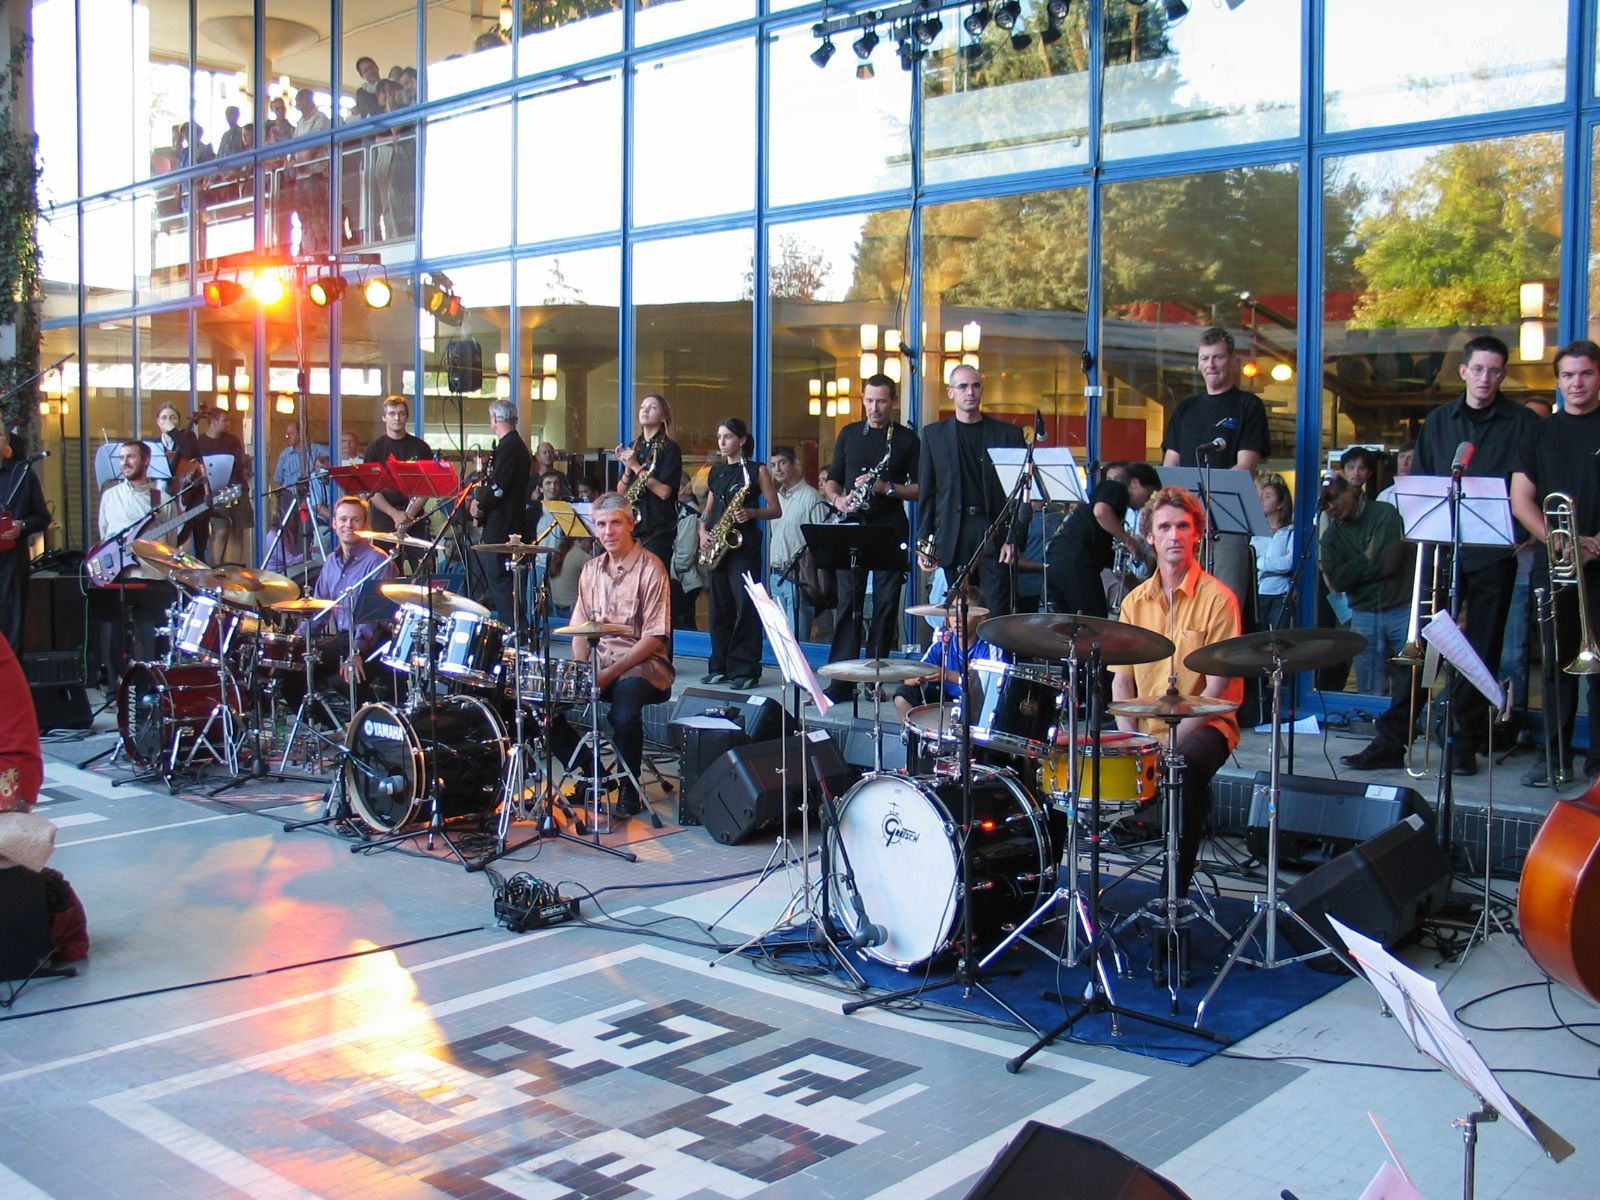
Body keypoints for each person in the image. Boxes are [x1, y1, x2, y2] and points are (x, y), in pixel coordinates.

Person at [1342, 334, 1539, 775]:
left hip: (1493, 553)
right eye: (1478, 369)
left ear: (1502, 375)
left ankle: (1462, 741)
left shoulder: (1522, 423)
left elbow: (1530, 484)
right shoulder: (1438, 423)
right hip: (1444, 554)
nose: (1485, 378)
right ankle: (1394, 738)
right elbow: (1424, 489)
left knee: (1480, 652)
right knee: (1427, 648)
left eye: (1494, 370)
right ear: (1463, 371)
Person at [1111, 487, 1243, 899]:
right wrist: (1132, 741)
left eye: (1183, 526)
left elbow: (1218, 690)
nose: (1174, 535)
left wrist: (1164, 746)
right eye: (1164, 526)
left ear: (1197, 534)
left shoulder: (1219, 600)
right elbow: (1122, 681)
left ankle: (1174, 898)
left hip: (1207, 724)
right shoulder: (1135, 601)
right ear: (1149, 535)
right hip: (1147, 730)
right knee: (1071, 755)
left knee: (1183, 768)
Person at [1510, 340, 1600, 785]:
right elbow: (1520, 497)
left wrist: (1596, 542)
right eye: (1568, 376)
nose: (1576, 383)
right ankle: (1555, 757)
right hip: (1559, 564)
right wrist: (1558, 540)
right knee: (1557, 666)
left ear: (1598, 376)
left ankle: (1598, 764)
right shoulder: (1540, 431)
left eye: (1585, 373)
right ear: (1558, 381)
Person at [563, 494, 675, 816]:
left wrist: (607, 675)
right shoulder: (590, 570)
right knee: (541, 705)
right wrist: (581, 672)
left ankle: (631, 785)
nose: (608, 531)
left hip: (642, 664)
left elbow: (655, 637)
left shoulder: (652, 568)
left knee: (622, 715)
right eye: (601, 524)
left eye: (615, 523)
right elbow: (579, 630)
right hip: (599, 663)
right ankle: (594, 772)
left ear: (630, 523)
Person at [1162, 326, 1270, 623]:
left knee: (1225, 602)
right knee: (1180, 602)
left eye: (1218, 357)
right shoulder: (1185, 409)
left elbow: (1245, 465)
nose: (1211, 365)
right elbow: (1170, 464)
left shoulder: (1248, 405)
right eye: (1205, 358)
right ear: (1198, 363)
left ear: (1233, 360)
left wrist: (1206, 510)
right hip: (1184, 522)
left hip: (1227, 521)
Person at [826, 373, 920, 687]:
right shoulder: (849, 434)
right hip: (853, 525)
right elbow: (832, 480)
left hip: (889, 528)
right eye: (869, 400)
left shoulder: (906, 439)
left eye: (881, 401)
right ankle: (841, 679)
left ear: (892, 401)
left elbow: (920, 489)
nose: (874, 407)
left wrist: (886, 487)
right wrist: (839, 500)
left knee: (885, 603)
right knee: (847, 603)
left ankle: (874, 679)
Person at [916, 364, 1027, 613]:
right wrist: (925, 544)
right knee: (958, 612)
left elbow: (1020, 495)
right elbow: (928, 494)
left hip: (995, 532)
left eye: (976, 386)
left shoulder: (1008, 434)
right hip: (953, 534)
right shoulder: (934, 435)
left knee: (995, 611)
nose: (970, 392)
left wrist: (1014, 539)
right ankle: (961, 654)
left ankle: (993, 654)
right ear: (950, 392)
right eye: (963, 386)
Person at [697, 417, 781, 689]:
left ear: (742, 440)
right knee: (719, 607)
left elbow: (775, 509)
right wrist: (702, 533)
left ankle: (745, 669)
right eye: (719, 437)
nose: (722, 442)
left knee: (746, 607)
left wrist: (753, 512)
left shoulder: (757, 471)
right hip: (720, 546)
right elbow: (707, 512)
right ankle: (719, 665)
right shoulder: (716, 472)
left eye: (728, 437)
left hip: (743, 548)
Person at [1318, 476, 1408, 694]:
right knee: (1369, 686)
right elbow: (1338, 582)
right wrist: (1367, 557)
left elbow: (1389, 564)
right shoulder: (1330, 536)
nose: (1332, 507)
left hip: (1400, 607)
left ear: (1351, 491)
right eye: (1325, 505)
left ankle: (1404, 723)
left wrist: (1353, 573)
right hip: (1363, 611)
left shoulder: (1384, 513)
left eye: (1335, 498)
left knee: (1408, 680)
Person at [305, 496, 396, 697]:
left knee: (347, 677)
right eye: (343, 519)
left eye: (355, 520)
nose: (348, 525)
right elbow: (320, 609)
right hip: (343, 639)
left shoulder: (378, 561)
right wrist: (297, 640)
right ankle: (326, 726)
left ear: (365, 524)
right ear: (334, 523)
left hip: (374, 641)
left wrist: (355, 652)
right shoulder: (331, 561)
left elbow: (372, 619)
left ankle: (366, 722)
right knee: (293, 673)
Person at [1045, 461, 1157, 619]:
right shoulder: (1116, 488)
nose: (1147, 500)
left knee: (1069, 622)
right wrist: (1128, 540)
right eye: (1149, 492)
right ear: (1135, 483)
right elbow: (1101, 511)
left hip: (1058, 561)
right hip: (1077, 562)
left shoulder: (1107, 524)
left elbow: (1112, 562)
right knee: (1094, 621)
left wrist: (1138, 586)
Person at [891, 587, 1004, 718]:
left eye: (964, 612)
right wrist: (915, 678)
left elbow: (989, 688)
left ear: (981, 618)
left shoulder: (990, 646)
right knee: (903, 694)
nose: (957, 619)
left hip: (976, 705)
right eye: (952, 612)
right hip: (945, 699)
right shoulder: (944, 641)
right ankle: (912, 737)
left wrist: (946, 675)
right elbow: (914, 674)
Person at [470, 399, 531, 621]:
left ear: (496, 419)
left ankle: (514, 632)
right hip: (508, 521)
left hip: (503, 525)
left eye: (491, 418)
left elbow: (499, 489)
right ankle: (514, 630)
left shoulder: (509, 447)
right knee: (502, 581)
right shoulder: (513, 446)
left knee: (500, 580)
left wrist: (480, 505)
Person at [615, 394, 683, 580]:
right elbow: (621, 494)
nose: (645, 410)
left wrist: (636, 466)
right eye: (642, 406)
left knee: (652, 585)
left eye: (652, 407)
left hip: (657, 530)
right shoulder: (634, 446)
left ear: (663, 416)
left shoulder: (670, 448)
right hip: (633, 529)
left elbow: (664, 492)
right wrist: (628, 469)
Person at [767, 445, 824, 640]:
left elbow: (821, 541)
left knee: (797, 640)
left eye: (782, 463)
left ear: (795, 465)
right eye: (773, 465)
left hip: (799, 577)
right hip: (775, 575)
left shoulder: (811, 497)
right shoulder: (775, 499)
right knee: (780, 639)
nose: (778, 469)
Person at [0, 427, 49, 651]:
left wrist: (23, 526)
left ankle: (10, 685)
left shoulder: (22, 473)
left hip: (12, 563)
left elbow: (42, 517)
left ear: (6, 440)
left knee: (11, 628)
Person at [362, 396, 433, 546]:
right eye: (392, 413)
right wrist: (394, 514)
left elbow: (427, 486)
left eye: (401, 413)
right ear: (384, 417)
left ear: (407, 417)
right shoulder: (373, 450)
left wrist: (409, 515)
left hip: (415, 516)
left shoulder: (421, 448)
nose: (397, 418)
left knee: (423, 565)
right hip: (383, 517)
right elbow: (372, 490)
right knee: (387, 566)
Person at [196, 407, 251, 566]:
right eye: (224, 421)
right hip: (214, 493)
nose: (227, 424)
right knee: (221, 529)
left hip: (237, 488)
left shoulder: (232, 440)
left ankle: (234, 568)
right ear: (213, 422)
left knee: (238, 530)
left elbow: (241, 464)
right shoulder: (201, 443)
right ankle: (217, 566)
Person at [155, 403, 208, 558]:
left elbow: (189, 452)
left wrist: (173, 432)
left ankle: (200, 555)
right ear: (158, 421)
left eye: (173, 418)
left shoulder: (187, 437)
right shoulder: (154, 444)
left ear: (178, 421)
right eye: (164, 418)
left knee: (200, 512)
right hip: (161, 488)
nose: (168, 421)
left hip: (186, 489)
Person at [1251, 478, 1295, 630]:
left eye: (1268, 496)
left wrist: (1260, 563)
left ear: (1280, 504)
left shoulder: (1290, 532)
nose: (1262, 500)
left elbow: (1288, 563)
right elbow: (1249, 558)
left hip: (1280, 593)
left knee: (1279, 637)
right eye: (1261, 496)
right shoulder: (1256, 532)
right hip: (1259, 592)